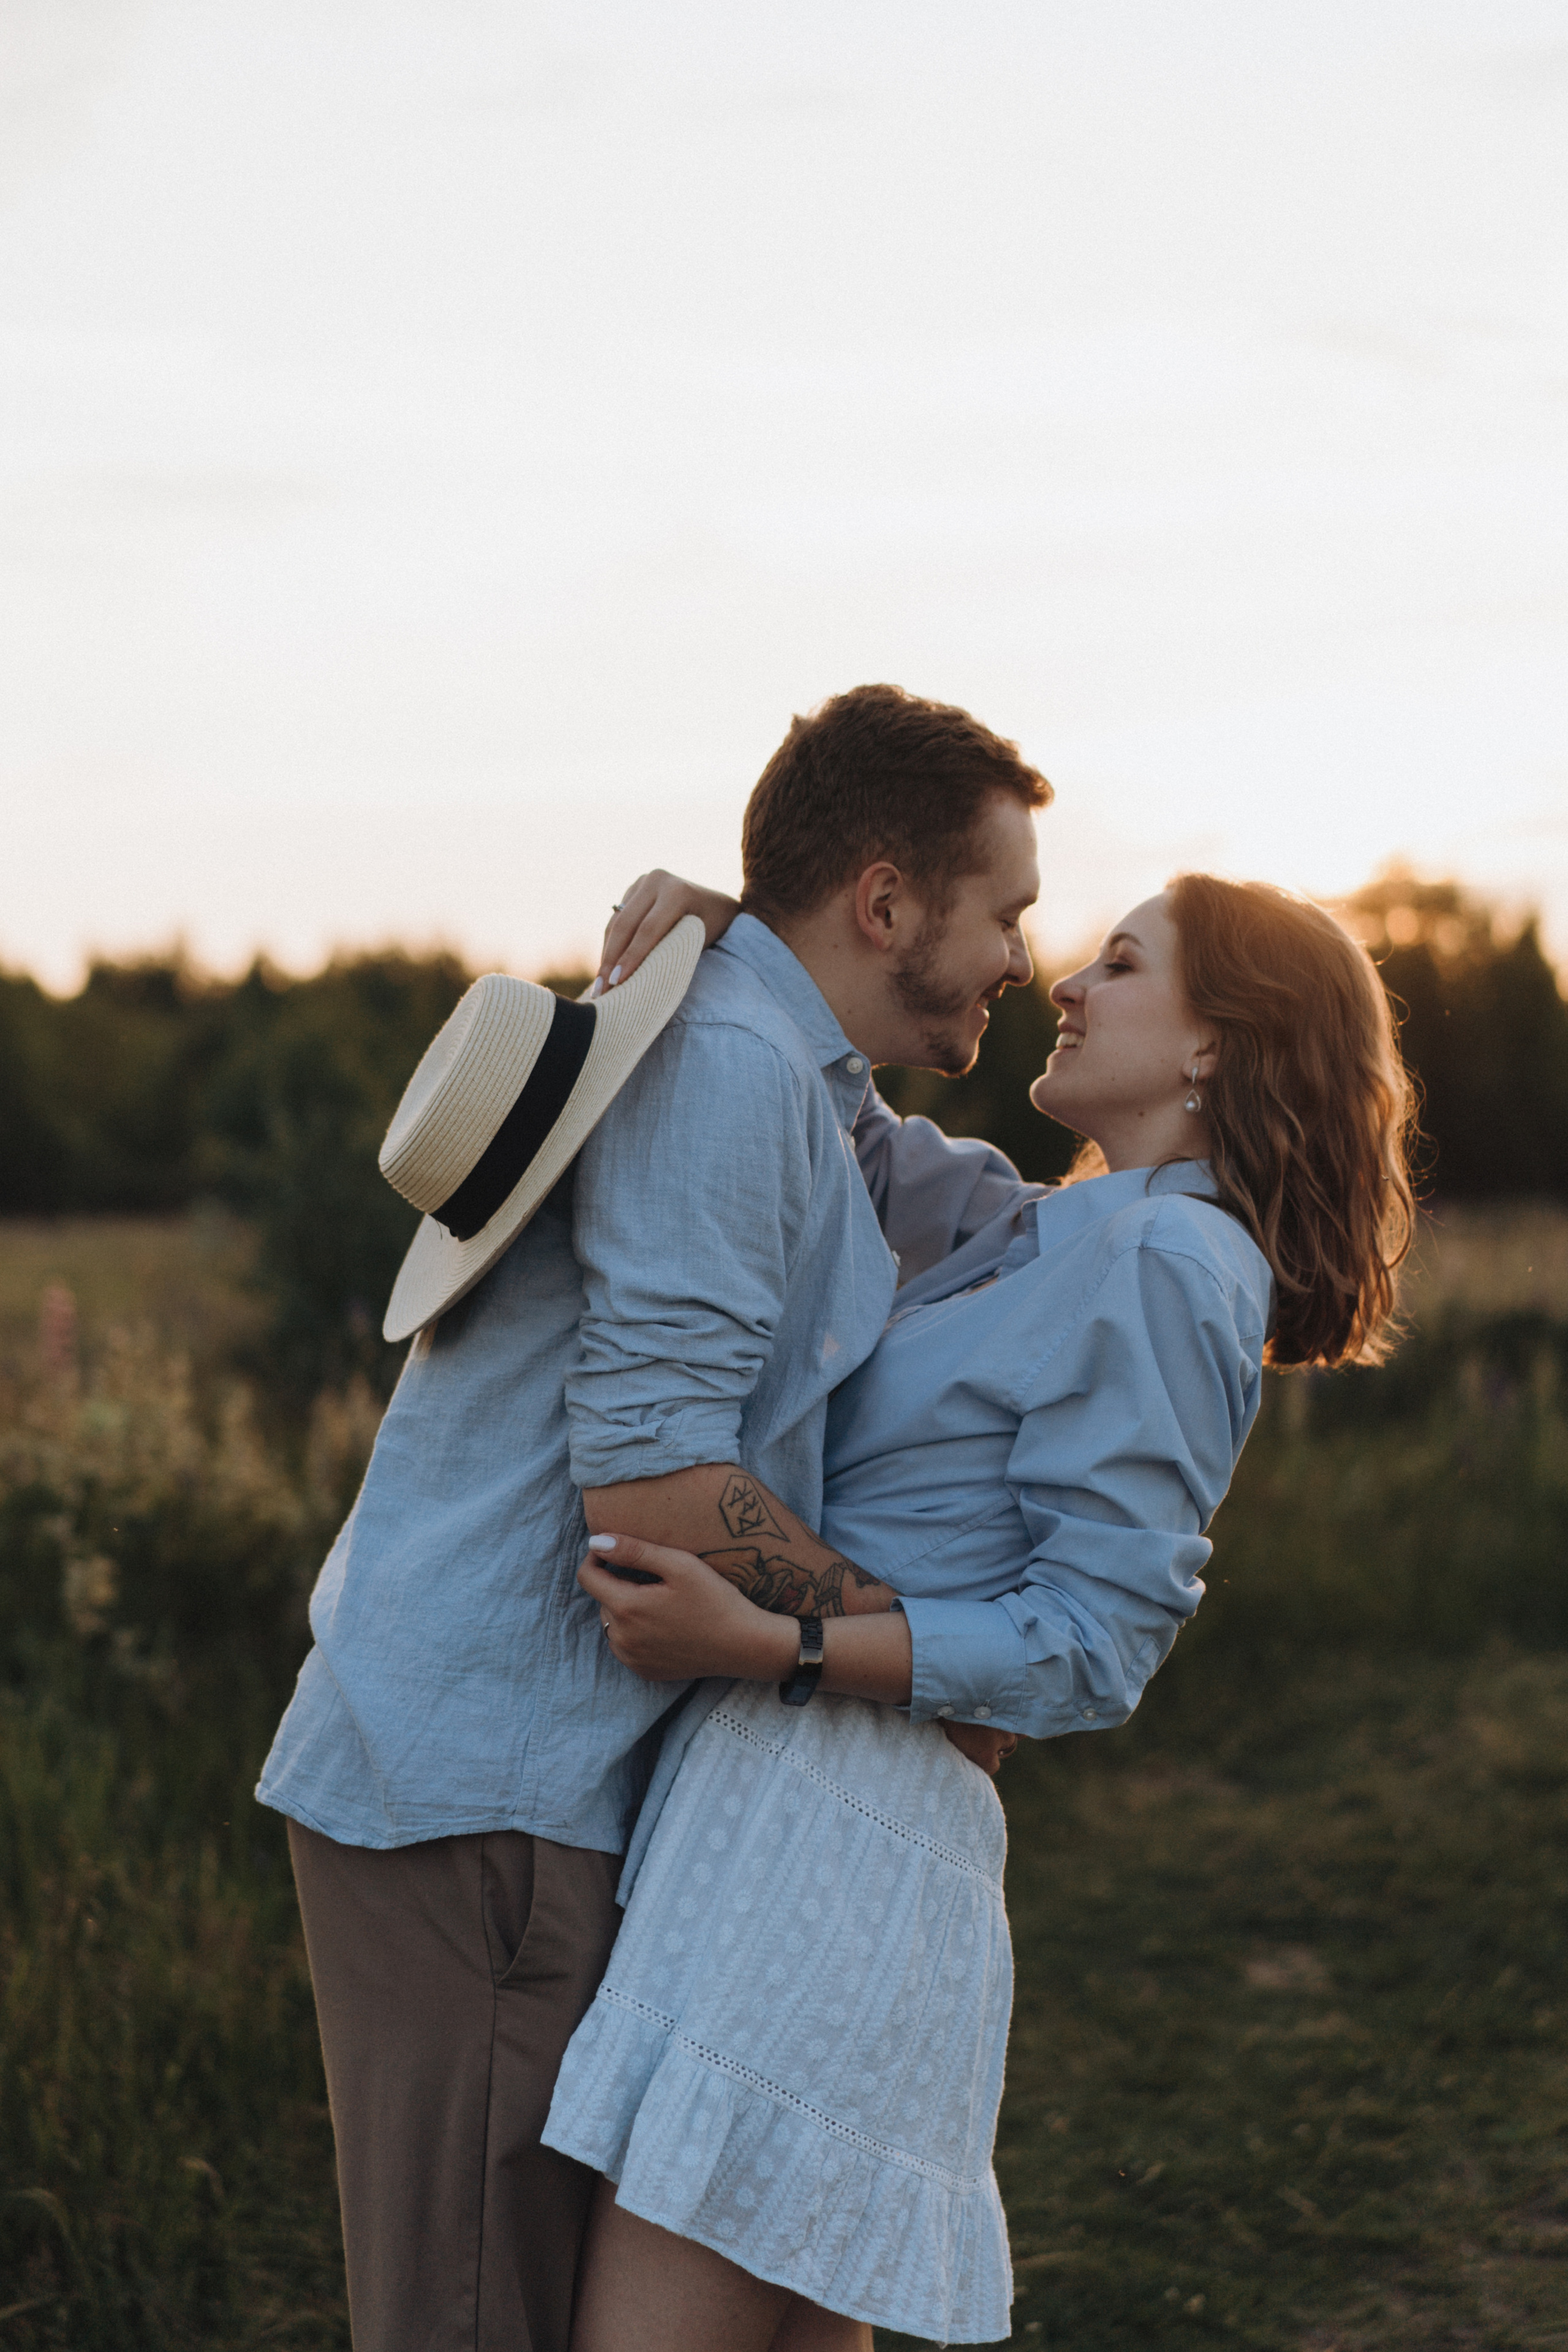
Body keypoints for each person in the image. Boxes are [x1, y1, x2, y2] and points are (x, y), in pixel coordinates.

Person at [253, 682, 1052, 2352]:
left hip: (519, 1787)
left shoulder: (786, 1066)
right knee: (476, 2318)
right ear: (886, 902)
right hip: (485, 1792)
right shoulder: (730, 1069)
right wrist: (908, 1659)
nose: (1020, 959)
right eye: (1005, 912)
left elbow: (1008, 1225)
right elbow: (651, 1481)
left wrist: (729, 920)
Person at [540, 870, 1417, 2350]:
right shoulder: (1048, 1225)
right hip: (803, 1816)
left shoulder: (1170, 1261)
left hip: (837, 1838)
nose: (1063, 981)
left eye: (1120, 964)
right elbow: (839, 1121)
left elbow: (1095, 1640)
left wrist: (775, 1642)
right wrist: (748, 925)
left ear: (1216, 1043)